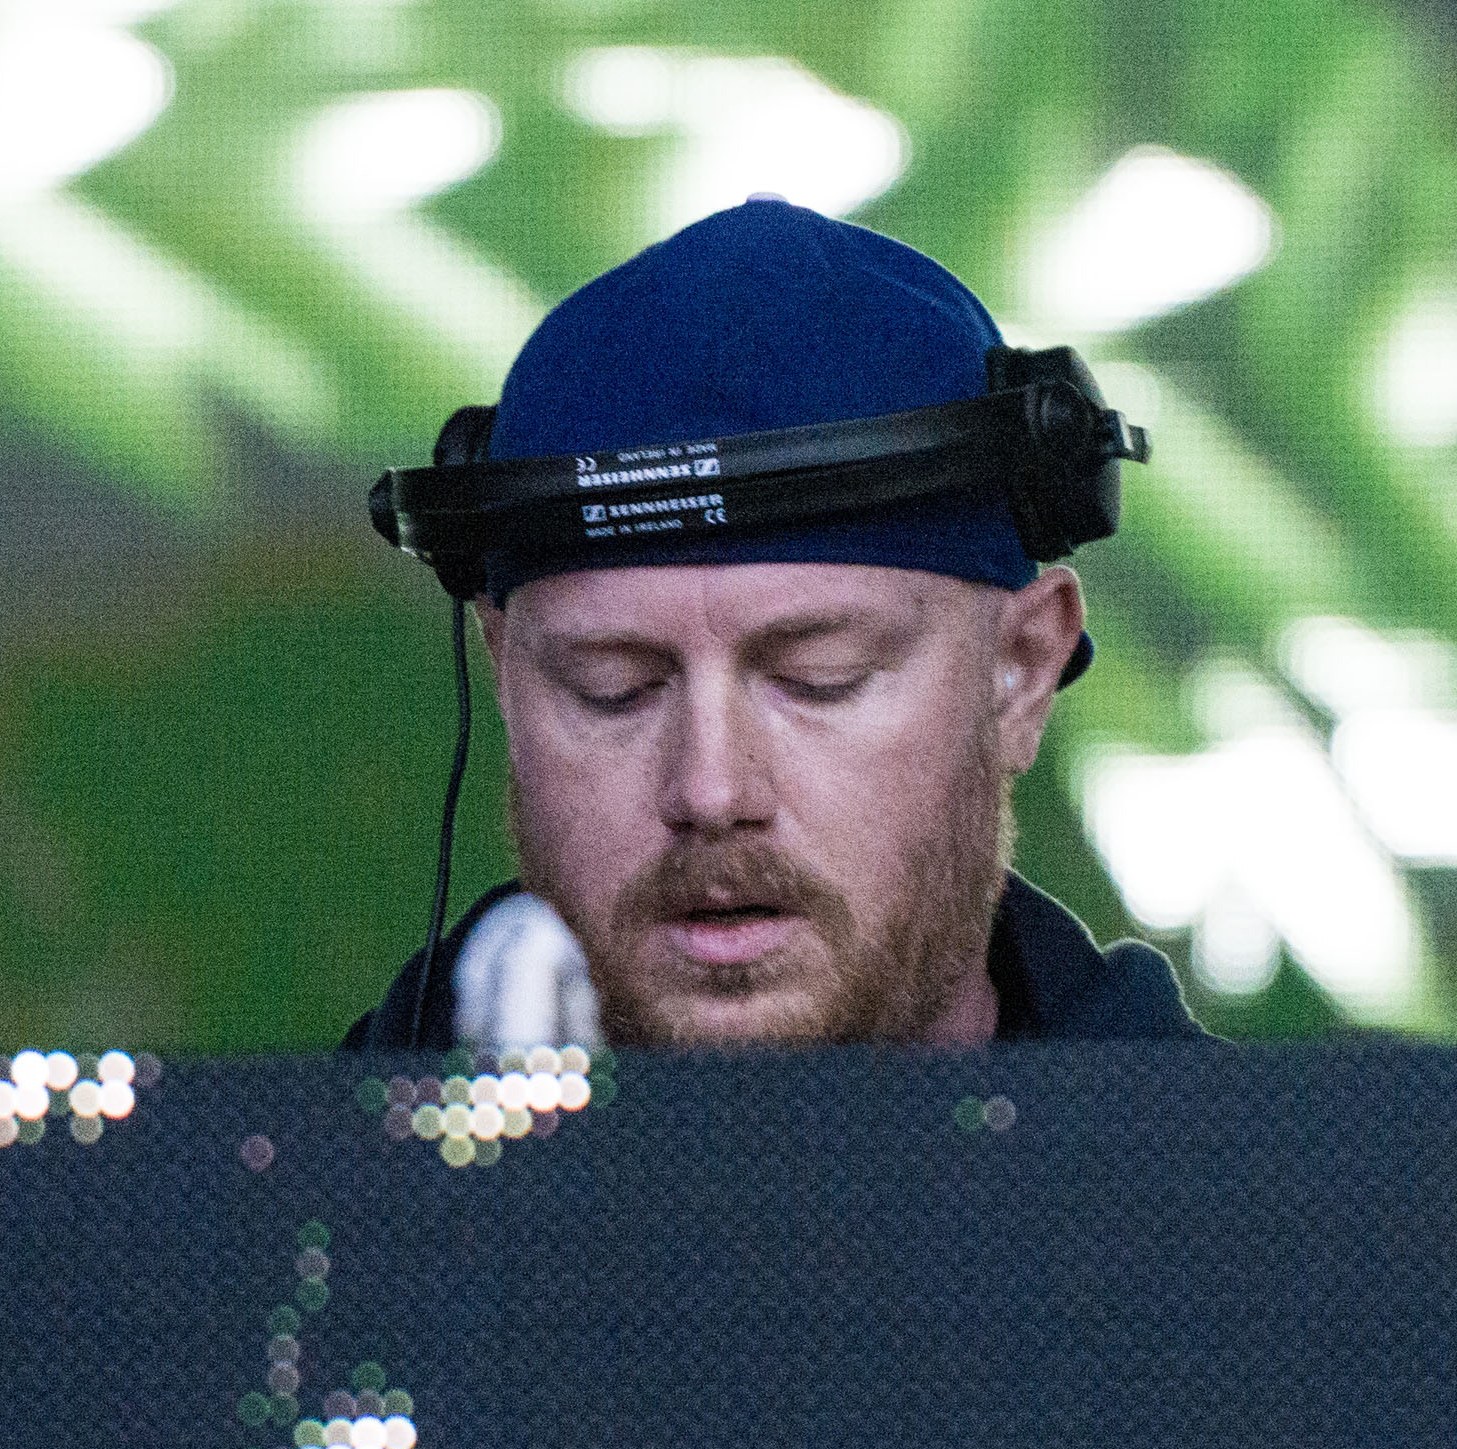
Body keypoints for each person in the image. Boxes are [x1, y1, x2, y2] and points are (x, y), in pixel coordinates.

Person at [343, 198, 1211, 1053]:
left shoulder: (1231, 1151)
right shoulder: (320, 1151)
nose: (711, 792)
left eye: (818, 677)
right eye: (614, 689)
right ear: (504, 673)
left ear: (1020, 670)